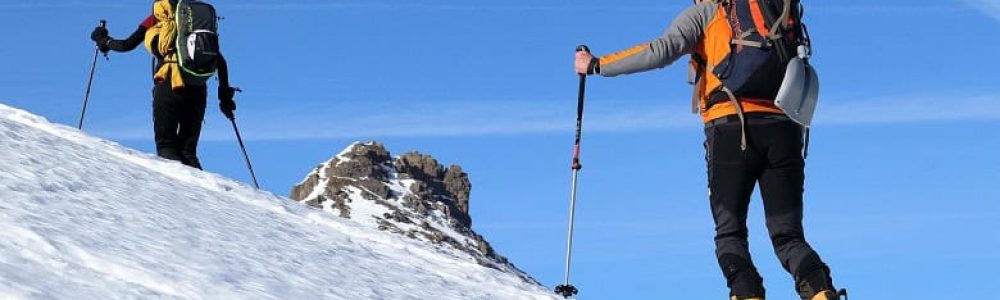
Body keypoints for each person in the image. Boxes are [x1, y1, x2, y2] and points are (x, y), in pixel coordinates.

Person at [574, 1, 839, 299]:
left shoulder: (710, 11)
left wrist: (597, 64)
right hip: (785, 127)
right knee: (789, 236)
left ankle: (747, 294)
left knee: (730, 233)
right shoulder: (778, 8)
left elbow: (661, 51)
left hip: (730, 129)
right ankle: (820, 292)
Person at [90, 0, 237, 170]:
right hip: (198, 88)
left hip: (169, 85)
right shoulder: (196, 18)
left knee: (167, 146)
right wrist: (224, 96)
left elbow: (126, 45)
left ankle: (180, 195)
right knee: (188, 152)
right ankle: (203, 193)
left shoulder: (159, 15)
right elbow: (220, 60)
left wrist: (103, 40)